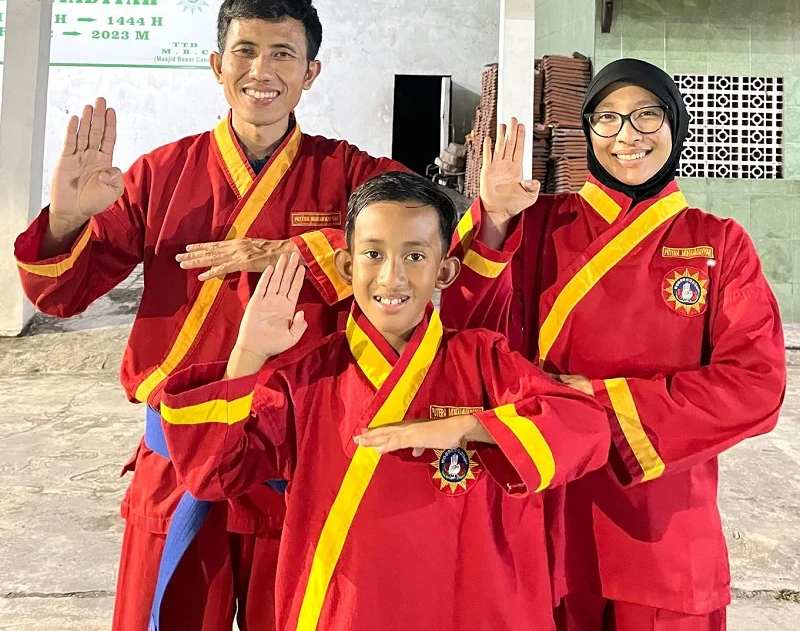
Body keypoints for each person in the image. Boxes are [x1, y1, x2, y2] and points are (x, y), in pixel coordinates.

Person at [14, 0, 405, 631]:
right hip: (178, 455)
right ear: (216, 64)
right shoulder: (161, 173)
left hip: (294, 462)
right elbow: (61, 292)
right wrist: (65, 219)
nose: (262, 70)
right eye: (244, 50)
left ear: (311, 72)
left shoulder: (350, 173)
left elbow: (412, 245)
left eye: (283, 54)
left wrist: (293, 250)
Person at [159, 171, 612, 631]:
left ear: (445, 271)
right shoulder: (307, 377)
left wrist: (463, 428)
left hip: (470, 606)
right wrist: (248, 354)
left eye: (415, 256)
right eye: (373, 254)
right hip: (346, 614)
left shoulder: (482, 360)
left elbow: (585, 425)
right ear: (346, 266)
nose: (392, 276)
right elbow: (211, 475)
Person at [441, 58, 787, 630]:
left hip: (662, 526)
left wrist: (592, 403)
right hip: (545, 508)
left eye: (647, 115)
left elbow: (757, 385)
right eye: (607, 119)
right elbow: (465, 332)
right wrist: (495, 220)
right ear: (588, 131)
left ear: (676, 124)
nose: (628, 135)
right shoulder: (538, 223)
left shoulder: (718, 243)